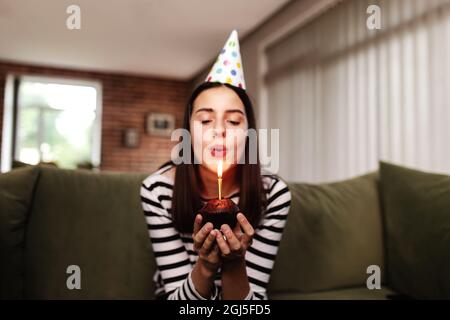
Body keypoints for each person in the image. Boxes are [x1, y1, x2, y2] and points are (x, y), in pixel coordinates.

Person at [140, 30, 291, 300]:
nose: (219, 130)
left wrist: (234, 262)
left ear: (249, 133)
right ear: (187, 132)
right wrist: (207, 265)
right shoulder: (157, 190)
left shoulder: (273, 194)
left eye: (233, 121)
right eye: (205, 120)